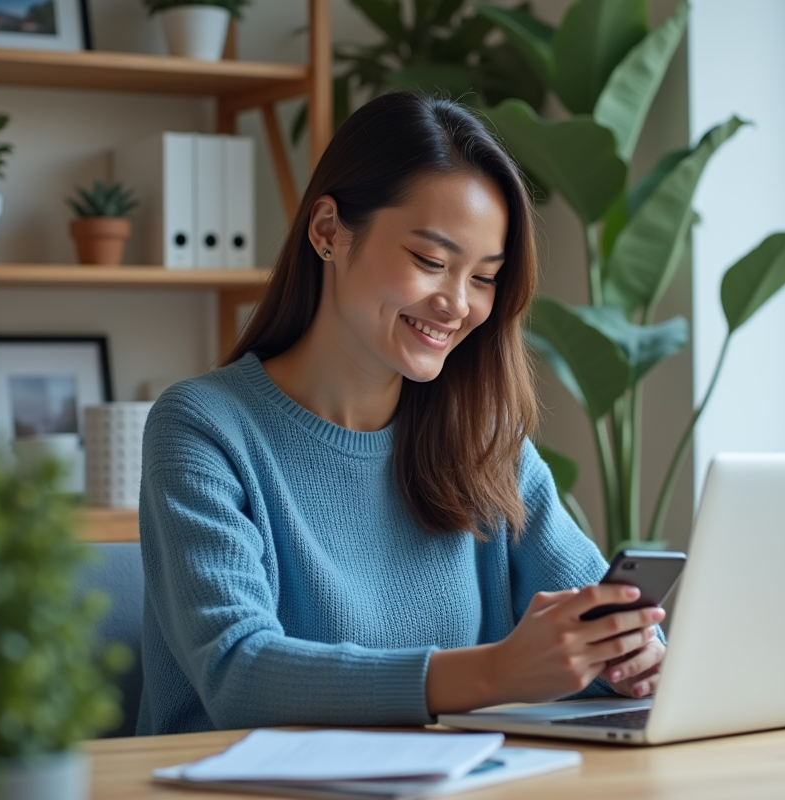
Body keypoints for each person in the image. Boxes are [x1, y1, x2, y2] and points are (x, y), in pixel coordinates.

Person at [136, 92, 666, 736]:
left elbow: (594, 622)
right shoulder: (203, 428)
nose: (458, 305)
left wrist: (627, 657)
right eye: (431, 262)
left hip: (455, 777)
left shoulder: (484, 439)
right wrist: (497, 672)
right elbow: (239, 674)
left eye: (483, 278)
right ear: (328, 232)